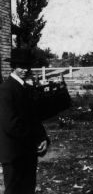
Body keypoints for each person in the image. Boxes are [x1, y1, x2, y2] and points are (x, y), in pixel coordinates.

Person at [0, 48, 49, 194]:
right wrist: (35, 140)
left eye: (27, 66)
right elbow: (11, 124)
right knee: (14, 190)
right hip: (14, 152)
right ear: (13, 67)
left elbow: (34, 117)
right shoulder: (6, 89)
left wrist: (43, 137)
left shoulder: (25, 88)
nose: (25, 70)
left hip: (27, 151)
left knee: (28, 189)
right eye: (21, 66)